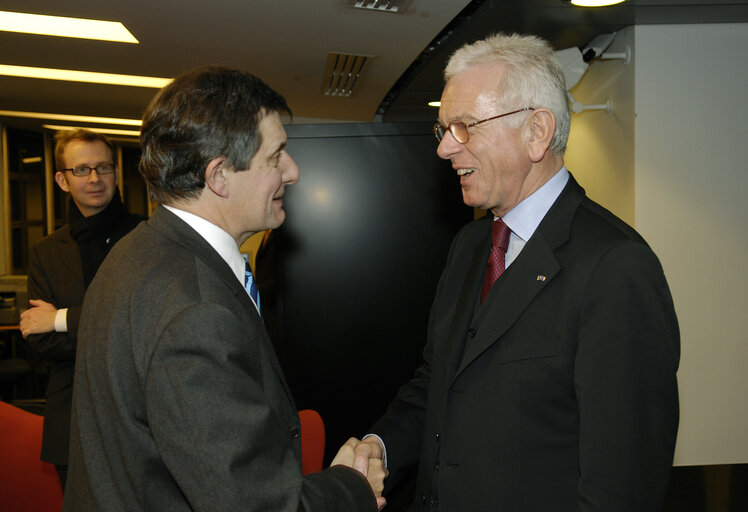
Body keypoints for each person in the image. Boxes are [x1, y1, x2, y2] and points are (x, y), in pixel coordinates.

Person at [350, 33, 680, 511]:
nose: (445, 149)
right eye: (443, 129)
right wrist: (378, 447)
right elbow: (436, 383)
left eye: (465, 127)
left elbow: (622, 488)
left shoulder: (614, 266)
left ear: (537, 132)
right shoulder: (469, 245)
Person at [63, 66, 385, 511]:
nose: (292, 172)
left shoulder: (135, 253)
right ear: (219, 177)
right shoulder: (194, 311)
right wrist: (352, 487)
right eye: (275, 157)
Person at [19, 129, 143, 490]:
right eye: (81, 170)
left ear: (116, 173)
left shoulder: (147, 237)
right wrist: (116, 332)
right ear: (62, 180)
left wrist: (62, 320)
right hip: (71, 417)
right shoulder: (46, 251)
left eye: (103, 168)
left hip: (141, 412)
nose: (94, 178)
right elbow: (40, 343)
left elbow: (144, 323)